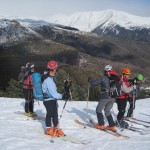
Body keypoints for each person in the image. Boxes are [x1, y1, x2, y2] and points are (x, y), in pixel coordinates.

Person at [42, 60, 69, 137]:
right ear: (53, 69)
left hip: (52, 100)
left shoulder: (50, 77)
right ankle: (48, 129)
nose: (56, 70)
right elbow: (54, 94)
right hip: (48, 100)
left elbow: (53, 92)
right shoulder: (48, 80)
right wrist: (63, 96)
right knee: (50, 114)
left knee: (55, 115)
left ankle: (56, 128)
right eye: (56, 68)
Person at [88, 65, 118, 132]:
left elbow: (94, 83)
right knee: (107, 111)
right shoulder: (115, 77)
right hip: (113, 97)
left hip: (105, 96)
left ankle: (101, 125)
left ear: (105, 70)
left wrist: (90, 80)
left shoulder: (104, 77)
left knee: (98, 110)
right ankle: (112, 126)